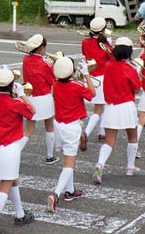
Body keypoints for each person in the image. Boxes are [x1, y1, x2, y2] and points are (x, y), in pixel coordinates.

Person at [0, 68, 35, 234]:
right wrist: (21, 94)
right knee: (5, 187)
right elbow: (32, 112)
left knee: (13, 180)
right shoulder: (15, 103)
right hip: (10, 149)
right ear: (11, 85)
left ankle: (20, 214)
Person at [47, 57, 95, 212]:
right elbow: (92, 93)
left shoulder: (55, 83)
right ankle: (56, 194)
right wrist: (86, 74)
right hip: (71, 127)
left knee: (67, 158)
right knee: (69, 163)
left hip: (59, 125)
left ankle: (70, 191)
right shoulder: (77, 85)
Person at [92, 37, 142, 185]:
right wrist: (137, 72)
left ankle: (100, 164)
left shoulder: (108, 66)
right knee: (132, 137)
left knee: (109, 141)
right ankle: (130, 167)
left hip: (111, 107)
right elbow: (137, 88)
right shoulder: (129, 68)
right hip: (126, 106)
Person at [22, 34, 59, 164]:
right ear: (42, 48)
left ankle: (16, 152)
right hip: (44, 97)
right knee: (49, 126)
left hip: (30, 97)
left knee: (28, 131)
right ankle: (50, 155)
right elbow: (52, 80)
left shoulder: (25, 59)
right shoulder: (46, 63)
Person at [80, 17, 113, 148]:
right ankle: (86, 133)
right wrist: (110, 43)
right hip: (102, 77)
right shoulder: (105, 44)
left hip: (89, 77)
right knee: (98, 109)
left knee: (100, 106)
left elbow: (85, 53)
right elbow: (112, 57)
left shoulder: (85, 42)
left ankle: (101, 132)